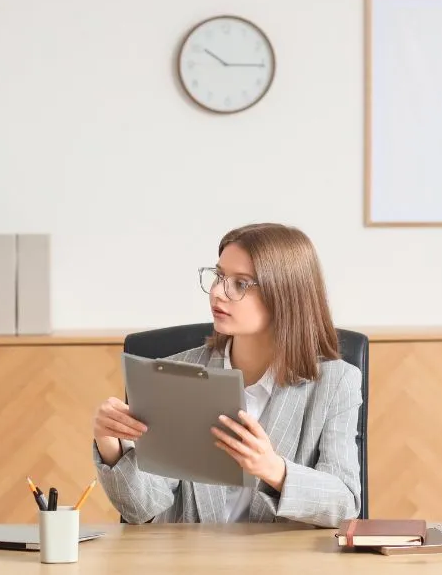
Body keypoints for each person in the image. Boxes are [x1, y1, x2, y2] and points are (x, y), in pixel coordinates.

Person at [91, 223, 362, 528]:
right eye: (219, 276)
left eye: (240, 283)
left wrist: (273, 469)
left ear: (284, 294)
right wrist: (109, 443)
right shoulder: (178, 374)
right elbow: (142, 509)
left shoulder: (337, 382)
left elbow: (345, 504)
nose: (218, 292)